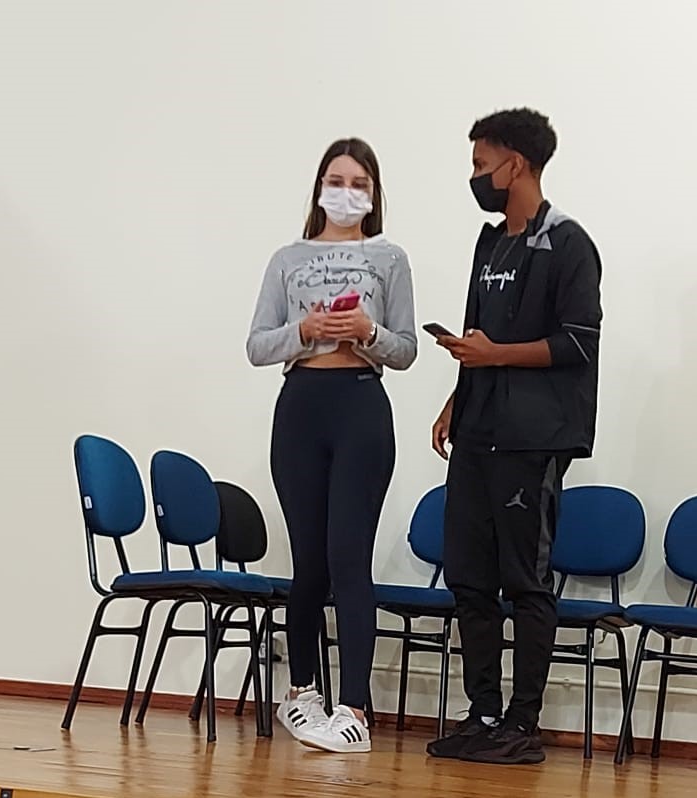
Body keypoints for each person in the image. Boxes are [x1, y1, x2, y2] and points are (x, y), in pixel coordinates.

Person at [426, 107, 602, 765]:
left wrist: (495, 356)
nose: (475, 176)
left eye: (481, 164)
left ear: (515, 164)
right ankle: (482, 714)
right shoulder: (490, 244)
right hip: (477, 431)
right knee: (470, 578)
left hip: (533, 438)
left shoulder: (569, 243)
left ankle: (523, 723)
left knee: (526, 581)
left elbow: (578, 343)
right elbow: (480, 335)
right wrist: (457, 396)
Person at [246, 138, 417, 753]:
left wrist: (367, 331)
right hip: (301, 407)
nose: (347, 193)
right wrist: (305, 329)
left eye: (359, 183)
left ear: (374, 194)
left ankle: (354, 707)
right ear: (319, 188)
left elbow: (406, 349)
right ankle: (302, 693)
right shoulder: (287, 258)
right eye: (336, 180)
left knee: (348, 558)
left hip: (360, 407)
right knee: (309, 563)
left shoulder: (389, 258)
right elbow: (257, 345)